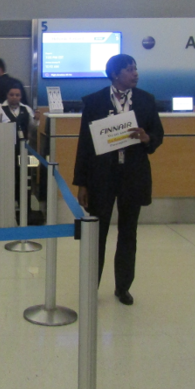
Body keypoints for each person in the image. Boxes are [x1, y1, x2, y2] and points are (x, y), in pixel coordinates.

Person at [73, 54, 164, 305]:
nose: (135, 73)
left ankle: (123, 287)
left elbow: (158, 133)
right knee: (97, 234)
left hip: (132, 176)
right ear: (115, 74)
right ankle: (91, 287)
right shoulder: (94, 102)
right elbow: (85, 145)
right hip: (101, 178)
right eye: (129, 69)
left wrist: (148, 139)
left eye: (136, 68)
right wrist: (82, 182)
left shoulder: (146, 100)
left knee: (128, 233)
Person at [1, 86, 34, 208]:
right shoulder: (0, 108)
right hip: (5, 149)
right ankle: (8, 204)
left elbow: (32, 127)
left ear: (20, 97)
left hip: (23, 149)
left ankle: (24, 205)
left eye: (17, 95)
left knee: (22, 177)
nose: (14, 97)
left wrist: (36, 120)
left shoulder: (26, 109)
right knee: (7, 177)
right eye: (11, 94)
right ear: (7, 95)